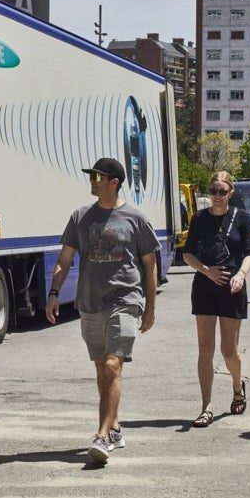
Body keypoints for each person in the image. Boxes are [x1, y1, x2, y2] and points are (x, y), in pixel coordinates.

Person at [46, 157, 159, 464]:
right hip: (90, 302)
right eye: (91, 175)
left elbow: (150, 264)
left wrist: (149, 307)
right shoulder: (80, 216)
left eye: (98, 176)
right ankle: (116, 426)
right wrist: (53, 293)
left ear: (114, 181)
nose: (92, 180)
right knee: (101, 368)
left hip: (125, 299)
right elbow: (65, 259)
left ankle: (102, 436)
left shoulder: (135, 217)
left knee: (112, 366)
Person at [181, 171, 250, 427]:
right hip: (205, 286)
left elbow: (248, 252)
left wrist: (241, 275)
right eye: (213, 191)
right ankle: (206, 407)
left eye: (222, 192)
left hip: (232, 288)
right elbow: (188, 254)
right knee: (205, 350)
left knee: (229, 351)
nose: (217, 196)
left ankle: (237, 385)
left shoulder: (242, 217)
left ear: (231, 192)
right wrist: (205, 270)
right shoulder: (200, 218)